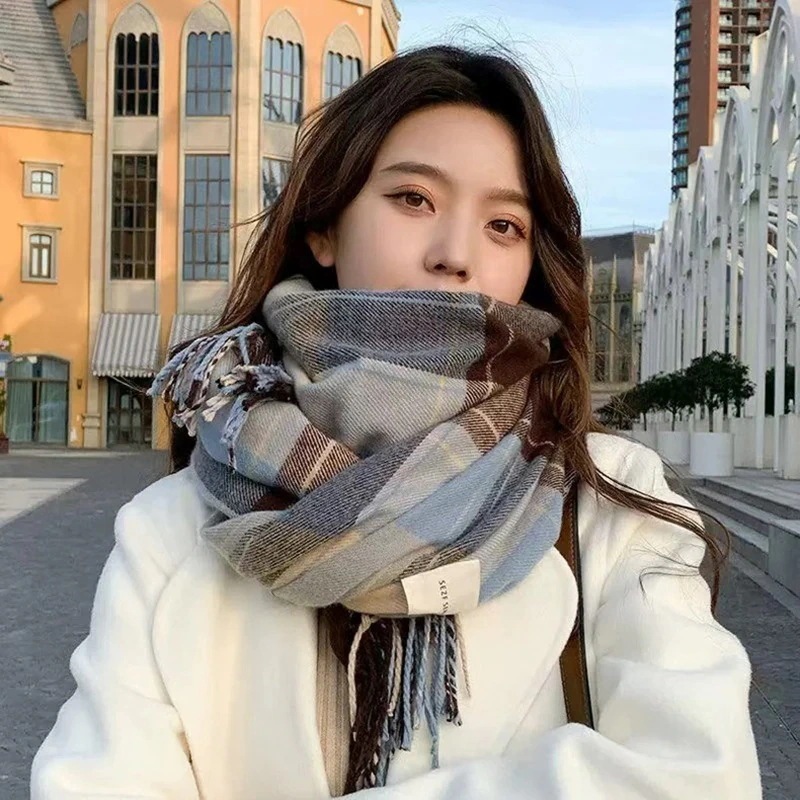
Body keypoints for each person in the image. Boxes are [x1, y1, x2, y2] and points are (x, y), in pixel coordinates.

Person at [31, 45, 761, 799]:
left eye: (504, 224)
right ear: (325, 228)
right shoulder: (171, 529)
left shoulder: (609, 503)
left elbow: (697, 777)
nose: (455, 255)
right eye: (414, 199)